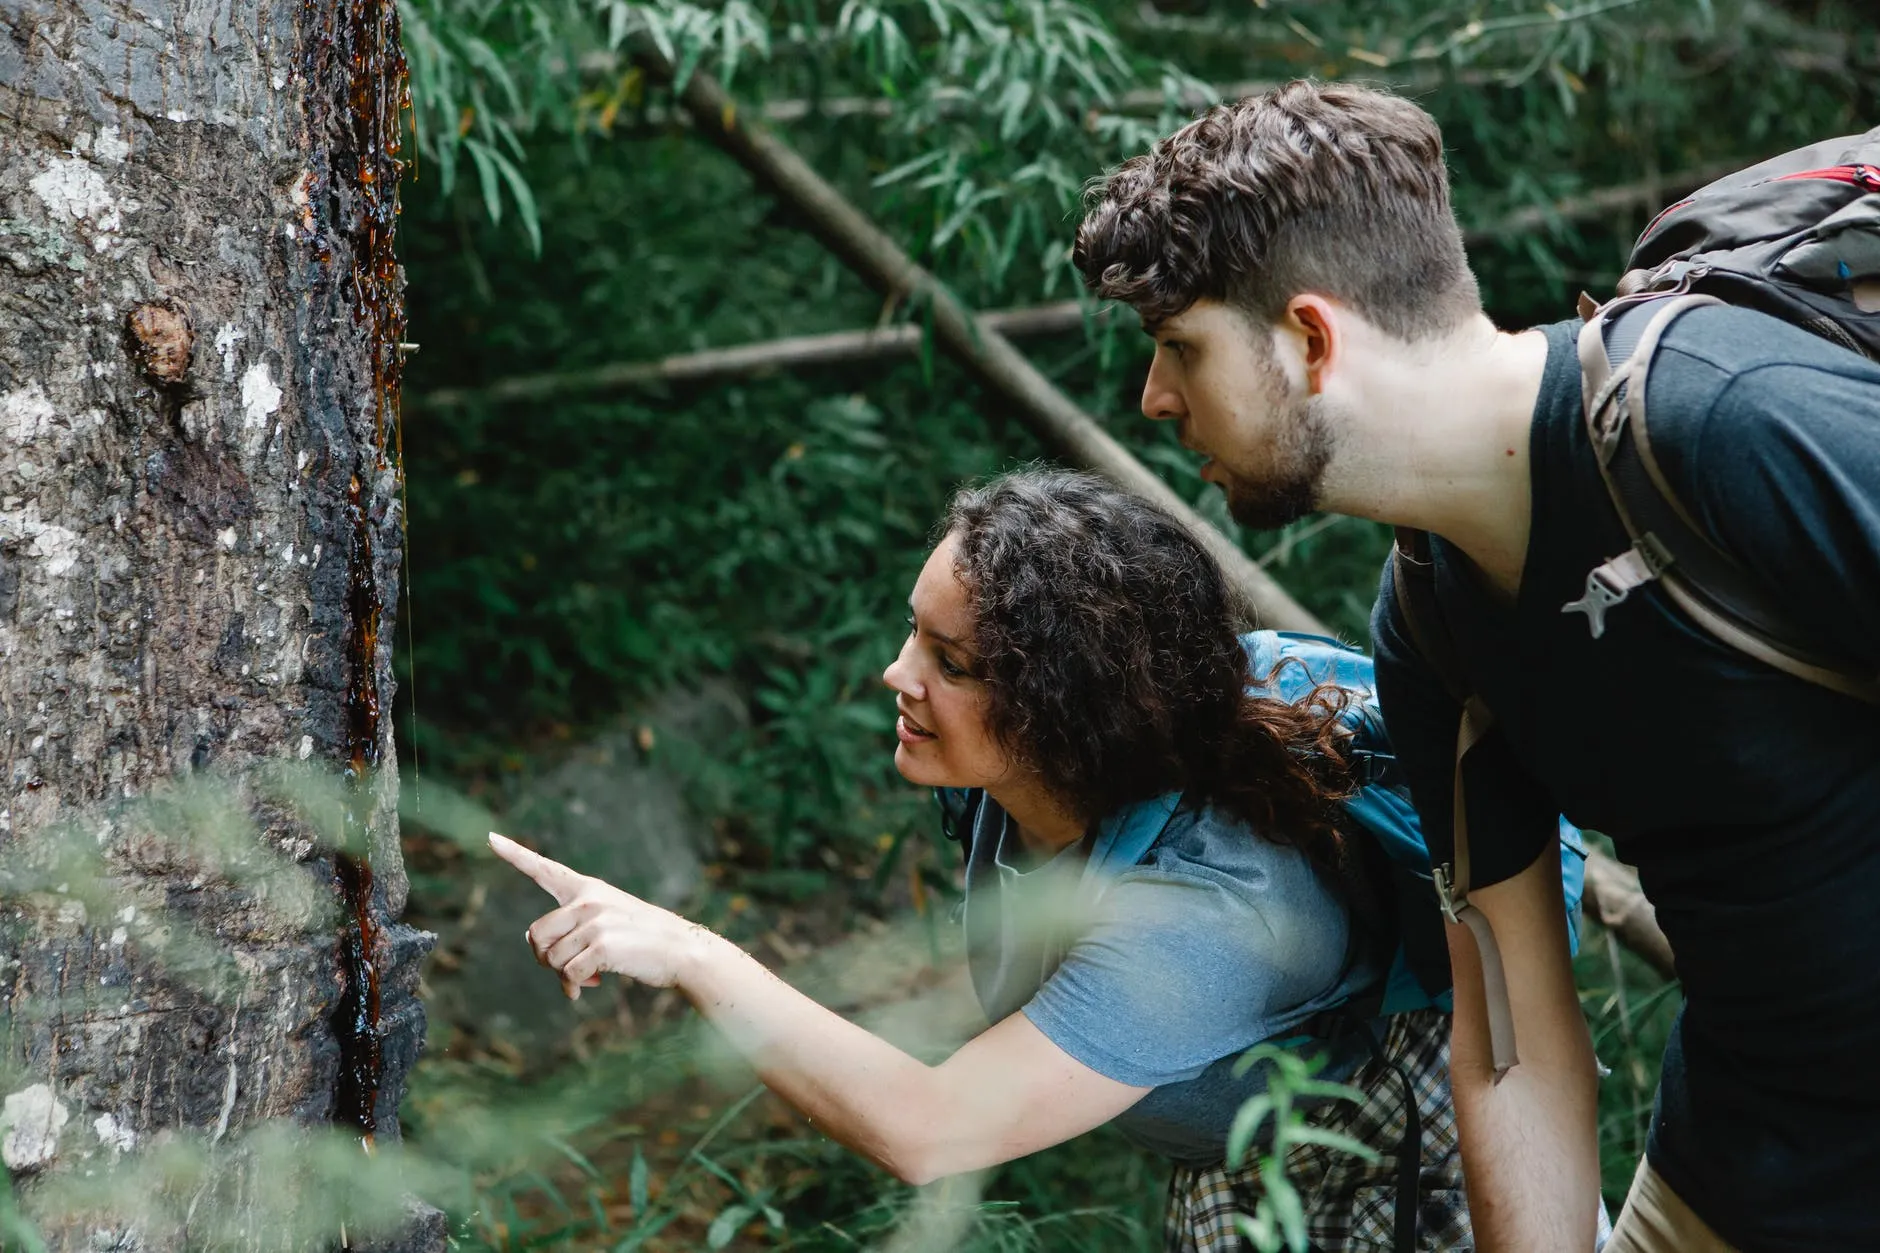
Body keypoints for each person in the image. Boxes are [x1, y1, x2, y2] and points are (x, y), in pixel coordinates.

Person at [1072, 80, 1880, 1253]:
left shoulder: (1715, 421)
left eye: (1177, 347)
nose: (1153, 398)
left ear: (1309, 338)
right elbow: (1512, 1040)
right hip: (1739, 1164)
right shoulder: (1427, 625)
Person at [491, 468, 1476, 1251]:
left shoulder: (1206, 919)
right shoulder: (1015, 775)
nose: (895, 674)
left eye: (949, 662)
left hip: (1390, 1169)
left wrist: (694, 952)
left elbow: (931, 1127)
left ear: (1073, 706)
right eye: (914, 634)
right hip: (1228, 1154)